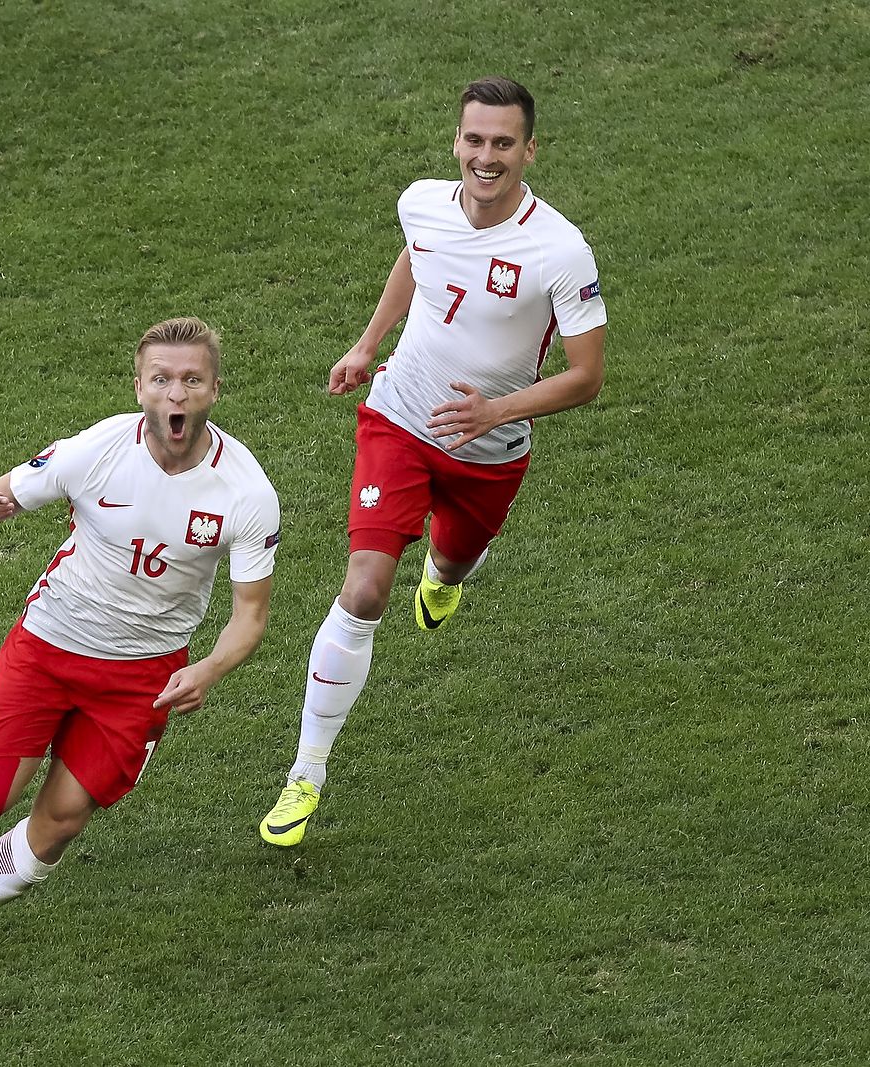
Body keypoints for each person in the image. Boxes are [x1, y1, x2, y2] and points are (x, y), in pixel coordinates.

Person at [258, 76, 608, 846]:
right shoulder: (421, 201)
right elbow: (415, 260)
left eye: (503, 144)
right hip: (400, 420)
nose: (486, 157)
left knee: (453, 561)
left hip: (490, 451)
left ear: (529, 151)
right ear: (457, 141)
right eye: (474, 140)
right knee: (365, 585)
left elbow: (586, 376)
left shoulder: (560, 249)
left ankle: (446, 576)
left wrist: (493, 411)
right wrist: (366, 344)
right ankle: (306, 772)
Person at [0, 317, 280, 978]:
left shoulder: (246, 492)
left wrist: (208, 668)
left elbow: (249, 617)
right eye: (162, 378)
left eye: (191, 380)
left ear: (214, 389)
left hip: (145, 677)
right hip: (51, 643)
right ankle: (50, 731)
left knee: (59, 821)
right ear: (139, 385)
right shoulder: (98, 450)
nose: (176, 394)